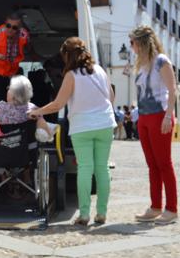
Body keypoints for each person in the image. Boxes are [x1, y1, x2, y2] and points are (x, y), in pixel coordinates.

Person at [29, 37, 116, 226]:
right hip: (105, 124)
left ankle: (84, 215)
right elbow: (110, 97)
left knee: (85, 169)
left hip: (82, 126)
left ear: (67, 55)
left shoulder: (71, 75)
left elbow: (58, 104)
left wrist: (37, 111)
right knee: (102, 168)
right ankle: (101, 213)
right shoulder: (101, 70)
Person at [130, 26, 179, 225]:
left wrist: (168, 116)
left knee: (164, 163)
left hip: (160, 116)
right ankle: (156, 206)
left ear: (141, 43)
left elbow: (172, 89)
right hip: (144, 117)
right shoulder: (141, 64)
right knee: (152, 165)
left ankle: (172, 209)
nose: (131, 46)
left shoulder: (161, 61)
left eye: (132, 42)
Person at [0, 75, 52, 198]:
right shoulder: (33, 109)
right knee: (30, 143)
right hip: (24, 155)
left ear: (13, 94)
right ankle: (26, 177)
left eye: (9, 89)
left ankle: (2, 174)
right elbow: (42, 128)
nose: (7, 90)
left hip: (0, 153)